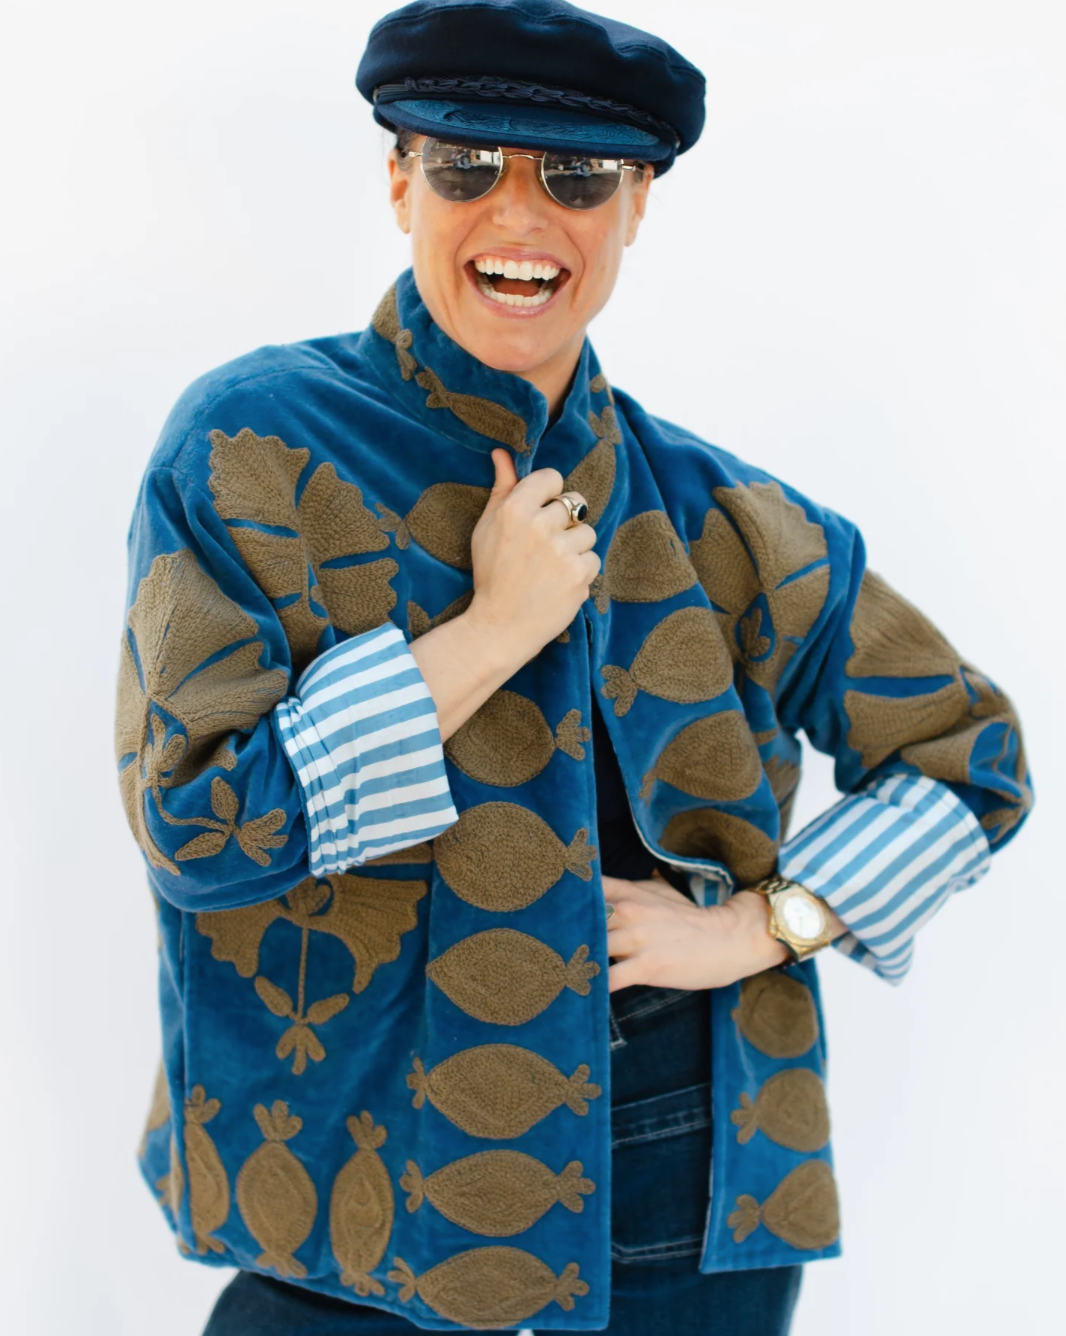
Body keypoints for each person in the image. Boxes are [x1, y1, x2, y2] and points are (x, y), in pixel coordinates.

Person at [116, 2, 1032, 1332]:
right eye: (463, 166)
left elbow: (970, 758)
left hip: (677, 1196)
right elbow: (199, 830)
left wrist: (762, 927)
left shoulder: (723, 518)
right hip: (344, 1198)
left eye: (577, 177)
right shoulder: (250, 450)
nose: (518, 215)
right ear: (398, 181)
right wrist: (489, 633)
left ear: (638, 203)